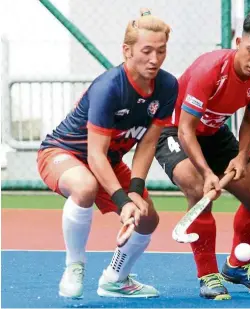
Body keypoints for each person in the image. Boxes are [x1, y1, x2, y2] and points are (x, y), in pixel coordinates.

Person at [37, 9, 178, 299]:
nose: (155, 59)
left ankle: (116, 279)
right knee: (85, 187)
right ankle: (74, 265)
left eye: (161, 51)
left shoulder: (167, 87)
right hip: (62, 154)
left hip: (107, 162)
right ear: (127, 51)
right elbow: (95, 155)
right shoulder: (109, 87)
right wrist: (121, 200)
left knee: (147, 218)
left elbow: (148, 144)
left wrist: (136, 192)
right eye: (147, 51)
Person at [155, 12, 250, 300]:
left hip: (214, 133)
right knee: (195, 185)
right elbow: (186, 130)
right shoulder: (211, 68)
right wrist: (207, 173)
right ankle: (207, 275)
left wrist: (242, 156)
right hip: (173, 131)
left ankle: (238, 267)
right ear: (239, 42)